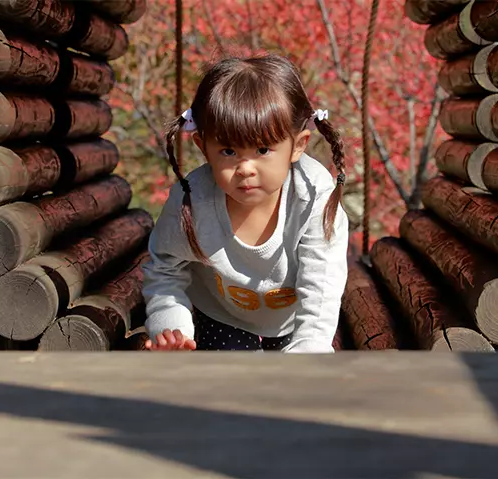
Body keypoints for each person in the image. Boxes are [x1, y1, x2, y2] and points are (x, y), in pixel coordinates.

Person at [140, 54, 349, 353]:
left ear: (298, 146)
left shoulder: (313, 197)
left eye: (263, 149)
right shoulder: (194, 200)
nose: (245, 168)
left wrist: (310, 348)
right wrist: (172, 327)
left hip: (295, 321)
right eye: (228, 151)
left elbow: (322, 286)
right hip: (220, 316)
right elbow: (165, 268)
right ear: (203, 147)